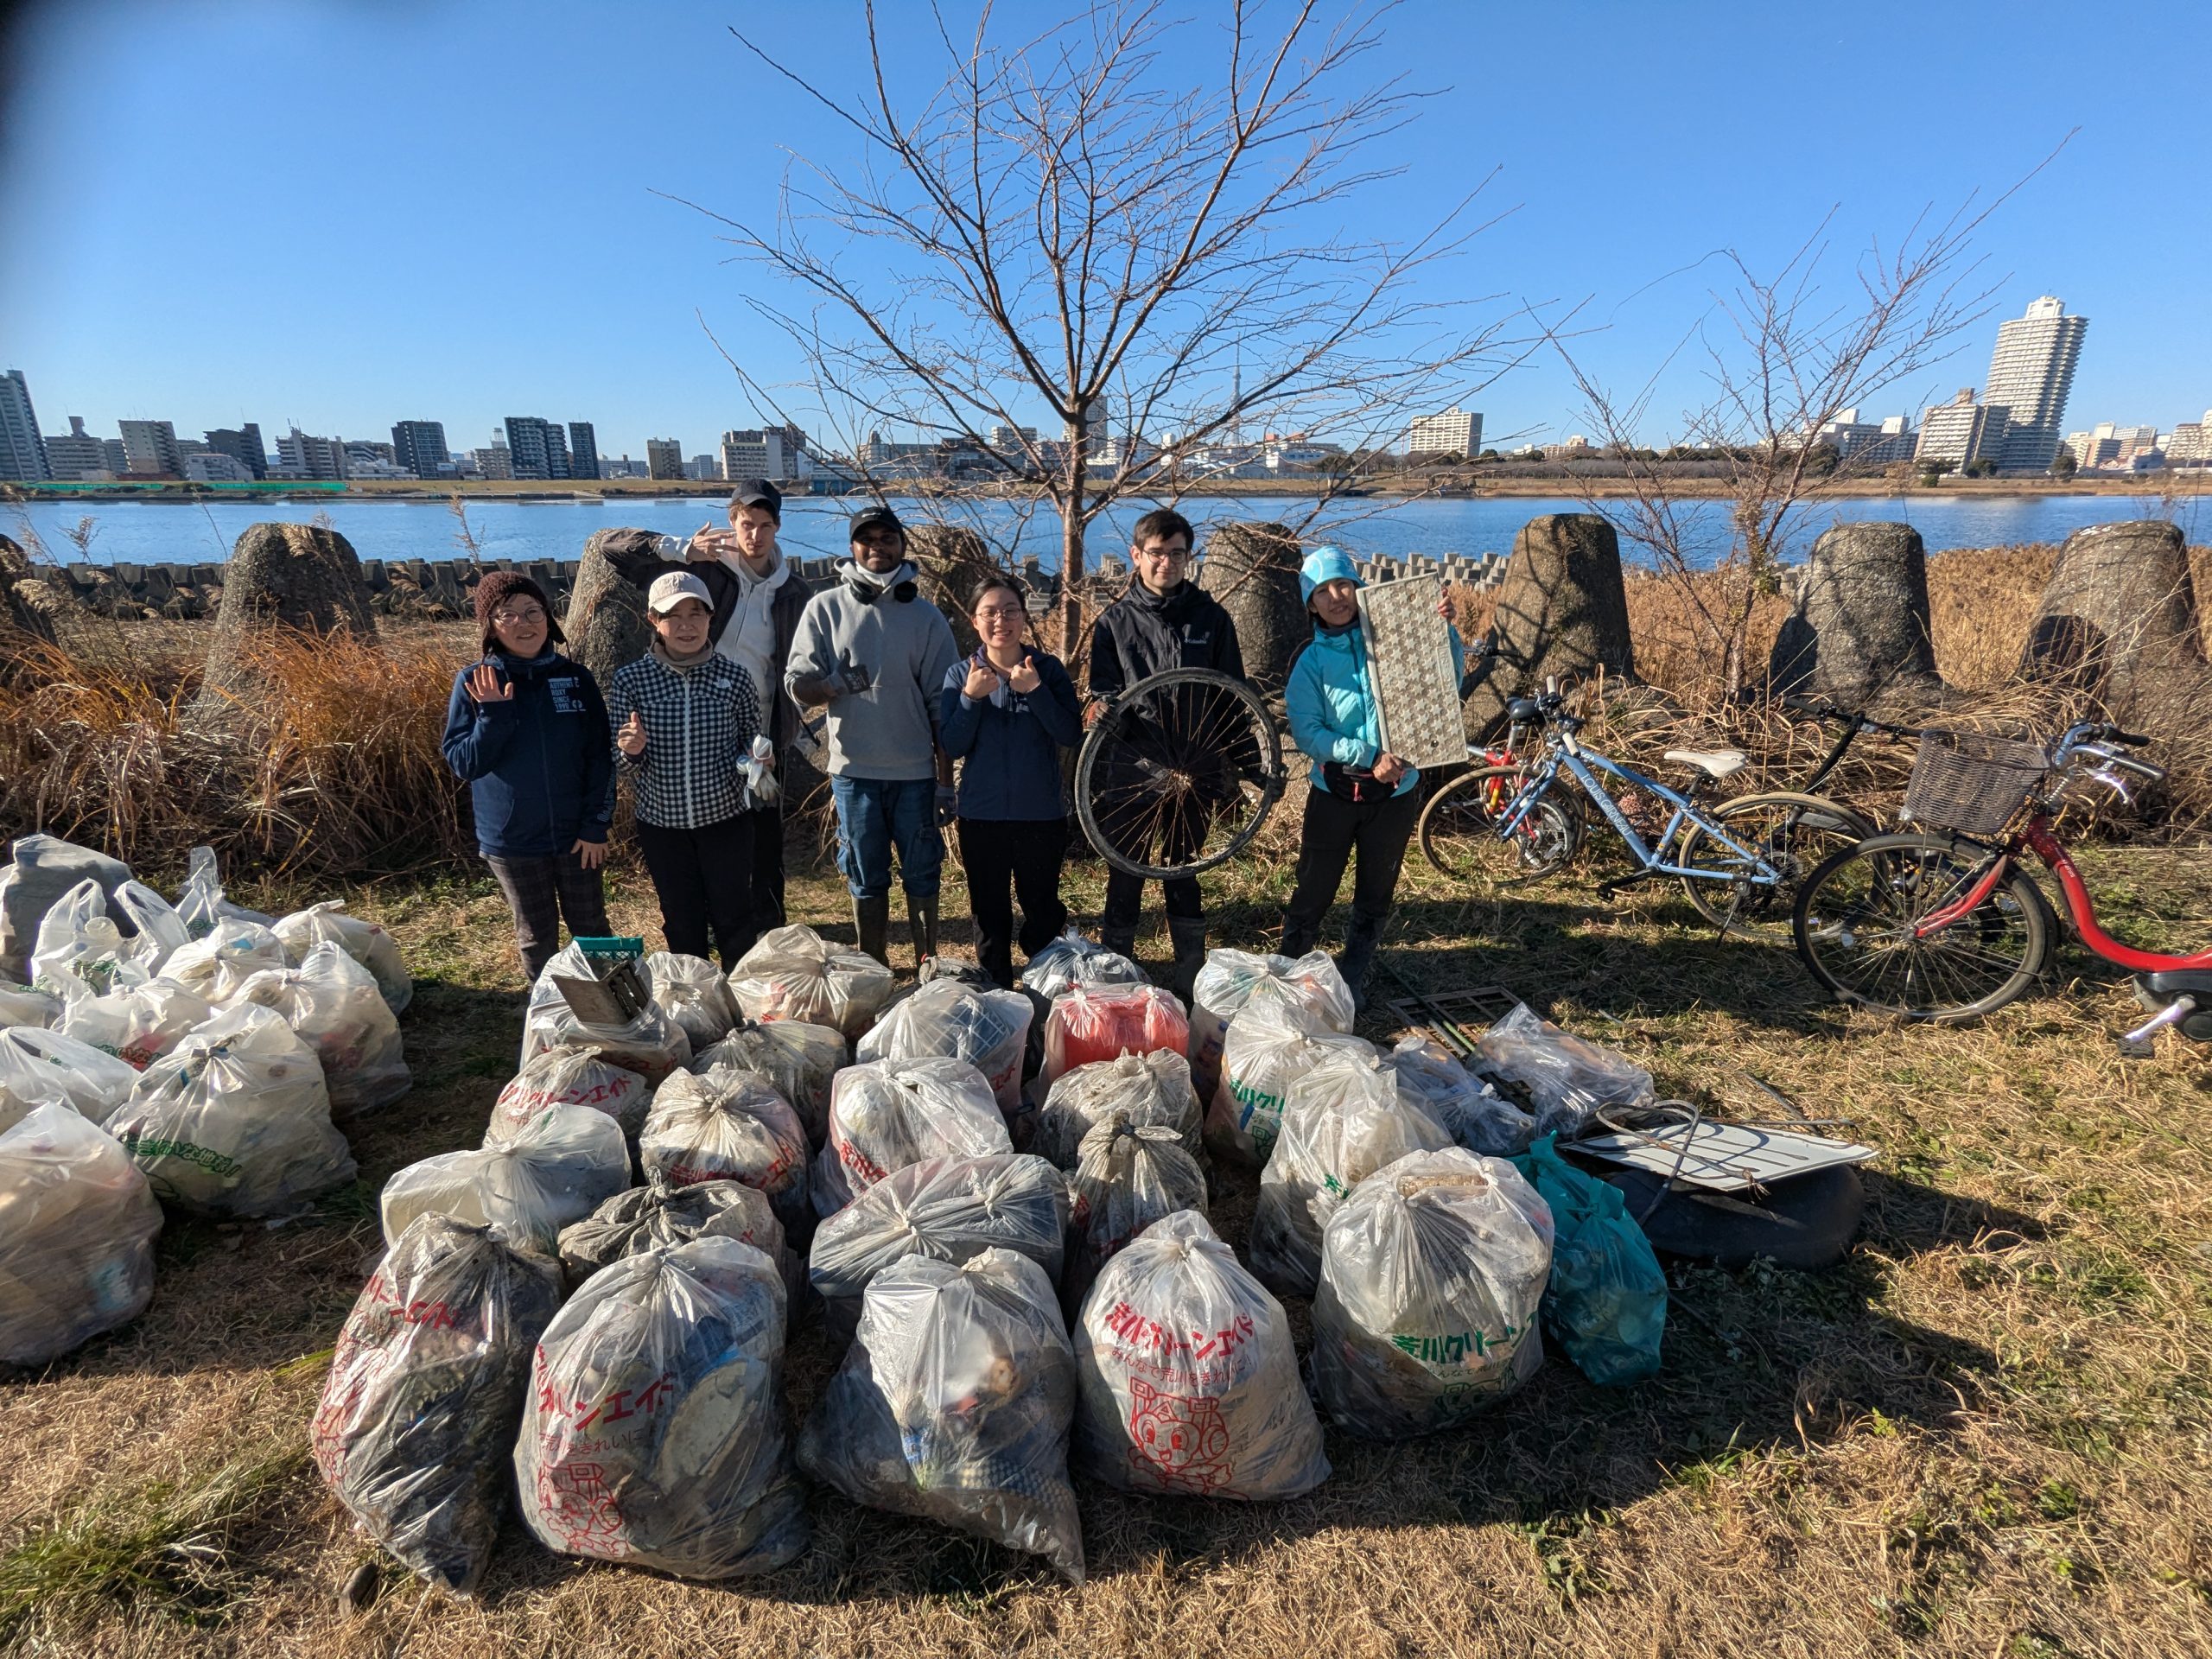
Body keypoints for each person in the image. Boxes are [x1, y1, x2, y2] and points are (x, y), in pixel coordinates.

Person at [599, 478, 813, 938]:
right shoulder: (705, 572)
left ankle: (766, 931)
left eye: (765, 525)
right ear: (732, 523)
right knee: (713, 832)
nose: (755, 535)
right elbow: (611, 548)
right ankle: (709, 925)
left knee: (763, 835)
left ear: (777, 527)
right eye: (746, 524)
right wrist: (680, 549)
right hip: (694, 715)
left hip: (762, 725)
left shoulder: (794, 590)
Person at [1279, 546, 1463, 1011]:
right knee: (1313, 890)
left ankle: (1354, 974)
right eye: (1322, 591)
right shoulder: (1311, 663)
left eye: (1343, 584)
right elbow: (1308, 732)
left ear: (1358, 588)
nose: (1336, 597)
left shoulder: (1395, 641)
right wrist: (1368, 754)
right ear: (1311, 604)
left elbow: (1445, 687)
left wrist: (1442, 631)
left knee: (1376, 891)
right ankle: (1288, 972)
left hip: (1395, 793)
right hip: (1335, 793)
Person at [785, 505, 961, 969]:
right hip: (853, 774)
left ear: (902, 546)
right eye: (867, 539)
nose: (877, 547)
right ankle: (873, 969)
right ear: (852, 548)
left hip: (916, 776)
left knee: (923, 874)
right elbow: (796, 684)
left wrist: (945, 782)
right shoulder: (824, 608)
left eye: (887, 538)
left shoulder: (927, 618)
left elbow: (942, 706)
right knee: (865, 876)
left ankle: (927, 967)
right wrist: (830, 685)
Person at [1084, 506, 1244, 999]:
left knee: (1184, 870)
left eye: (1177, 554)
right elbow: (1101, 692)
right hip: (1133, 768)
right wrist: (1100, 710)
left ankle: (1190, 979)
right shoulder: (1114, 623)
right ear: (1137, 555)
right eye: (1157, 553)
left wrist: (1253, 769)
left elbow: (1233, 699)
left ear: (1188, 557)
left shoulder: (1212, 618)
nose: (1167, 563)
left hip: (1196, 767)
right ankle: (1117, 977)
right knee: (1125, 874)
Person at [441, 572, 616, 983]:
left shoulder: (576, 678)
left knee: (592, 928)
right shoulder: (475, 682)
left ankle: (613, 1008)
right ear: (490, 627)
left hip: (577, 836)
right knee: (537, 936)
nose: (524, 623)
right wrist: (493, 716)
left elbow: (600, 757)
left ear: (548, 618)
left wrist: (596, 825)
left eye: (533, 611)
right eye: (508, 615)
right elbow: (465, 764)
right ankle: (548, 1011)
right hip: (512, 839)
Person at [606, 571, 766, 969]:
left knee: (735, 915)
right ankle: (694, 994)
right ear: (653, 621)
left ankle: (740, 991)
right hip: (662, 826)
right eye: (672, 616)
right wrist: (631, 750)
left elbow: (750, 740)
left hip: (727, 820)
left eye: (696, 613)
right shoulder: (631, 680)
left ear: (711, 618)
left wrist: (759, 759)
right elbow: (620, 763)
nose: (686, 626)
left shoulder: (734, 676)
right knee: (681, 919)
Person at [938, 575, 1083, 988]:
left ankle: (1044, 986)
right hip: (981, 816)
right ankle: (997, 989)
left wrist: (1035, 691)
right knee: (989, 911)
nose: (1000, 620)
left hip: (1041, 815)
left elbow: (1069, 733)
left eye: (1010, 611)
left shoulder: (1047, 670)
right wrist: (970, 698)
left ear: (1023, 617)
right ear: (974, 620)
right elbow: (952, 744)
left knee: (1043, 907)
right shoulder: (960, 675)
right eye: (989, 612)